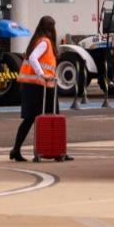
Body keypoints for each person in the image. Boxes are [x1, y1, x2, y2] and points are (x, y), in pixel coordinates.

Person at [11, 15, 70, 162]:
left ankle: (56, 151)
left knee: (35, 118)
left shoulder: (38, 41)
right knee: (41, 118)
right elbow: (33, 58)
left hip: (41, 86)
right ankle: (17, 150)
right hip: (38, 85)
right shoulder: (45, 42)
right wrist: (42, 74)